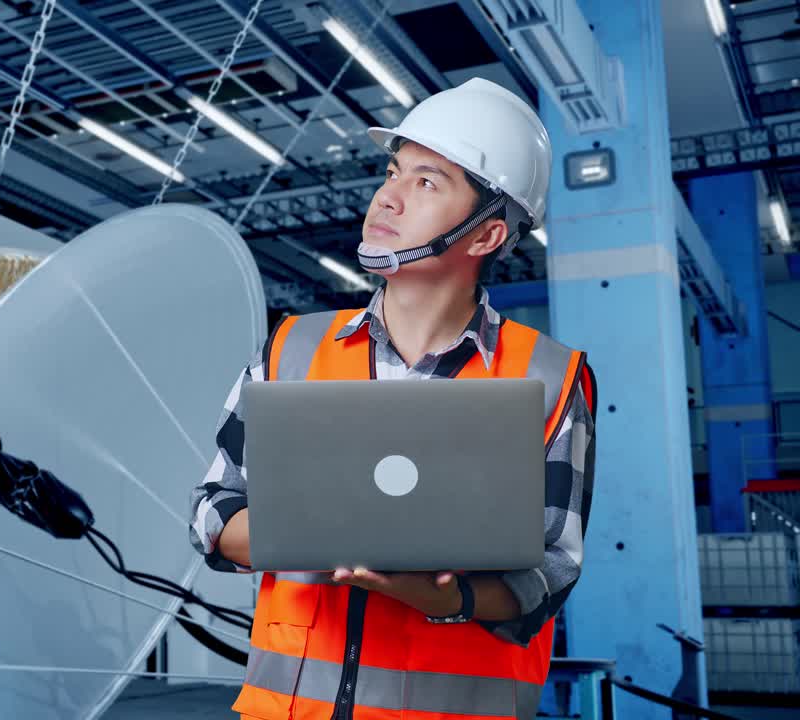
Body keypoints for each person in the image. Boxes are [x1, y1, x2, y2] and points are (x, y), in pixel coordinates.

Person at [188, 77, 598, 720]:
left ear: (486, 236)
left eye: (427, 182)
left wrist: (448, 599)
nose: (388, 195)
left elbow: (551, 570)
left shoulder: (549, 377)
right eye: (393, 171)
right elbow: (212, 513)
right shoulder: (290, 349)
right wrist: (316, 536)